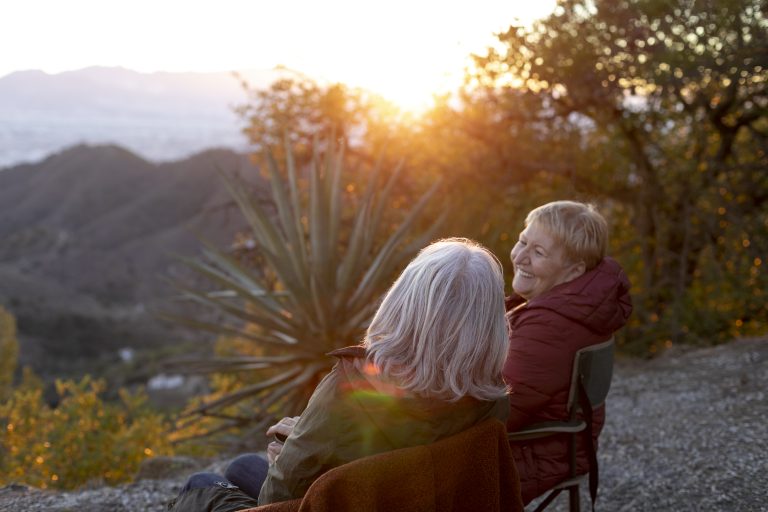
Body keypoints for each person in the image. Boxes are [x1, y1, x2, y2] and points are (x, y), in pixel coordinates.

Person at [169, 238, 511, 510]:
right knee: (242, 466)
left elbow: (277, 498)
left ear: (402, 302)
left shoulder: (351, 385)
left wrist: (289, 457)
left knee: (200, 485)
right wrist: (305, 436)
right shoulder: (488, 396)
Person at [503, 200, 632, 505]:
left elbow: (499, 412)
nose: (520, 257)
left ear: (574, 271)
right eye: (523, 241)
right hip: (554, 442)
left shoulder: (552, 325)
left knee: (401, 465)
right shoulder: (575, 303)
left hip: (535, 450)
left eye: (538, 252)